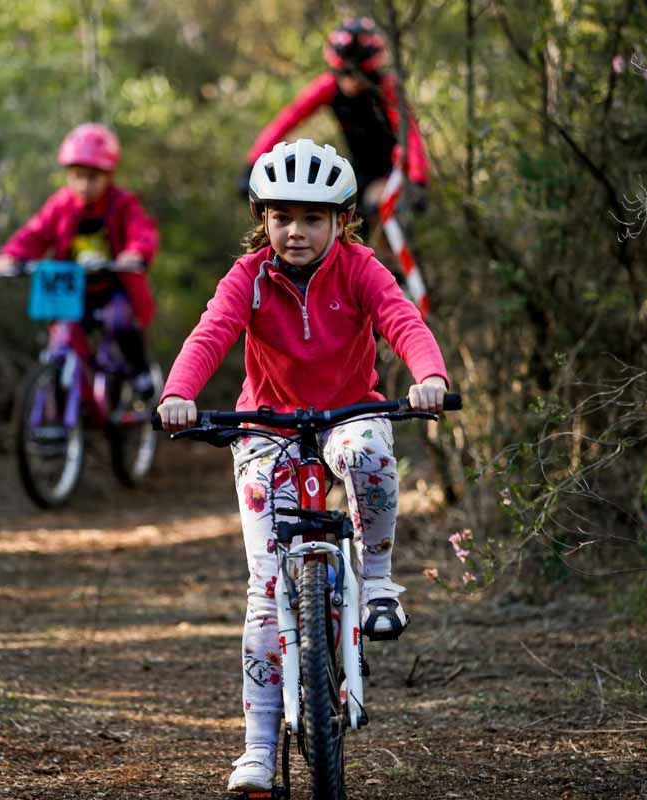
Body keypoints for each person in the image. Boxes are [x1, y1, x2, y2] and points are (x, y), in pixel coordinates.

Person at [158, 139, 451, 792]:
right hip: (267, 428)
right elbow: (211, 333)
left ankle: (376, 583)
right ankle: (258, 752)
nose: (296, 231)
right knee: (265, 595)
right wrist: (179, 393)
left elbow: (402, 319)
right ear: (262, 219)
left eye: (313, 219)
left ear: (341, 222)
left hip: (349, 416)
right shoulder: (250, 276)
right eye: (283, 216)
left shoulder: (361, 268)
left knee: (368, 453)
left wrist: (428, 375)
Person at [0, 123, 159, 398]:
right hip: (71, 290)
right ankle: (62, 407)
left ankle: (140, 370)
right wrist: (12, 255)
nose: (84, 184)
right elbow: (35, 233)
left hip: (112, 288)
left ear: (108, 176)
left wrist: (136, 252)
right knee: (62, 341)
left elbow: (142, 231)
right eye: (77, 176)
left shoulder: (122, 204)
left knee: (120, 323)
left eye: (93, 177)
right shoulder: (61, 205)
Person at [239, 17, 430, 232]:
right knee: (336, 216)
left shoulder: (386, 89)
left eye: (358, 74)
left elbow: (410, 132)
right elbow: (288, 118)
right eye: (344, 73)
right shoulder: (329, 86)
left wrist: (417, 179)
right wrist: (253, 163)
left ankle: (389, 263)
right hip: (359, 170)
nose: (351, 81)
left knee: (377, 209)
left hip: (392, 171)